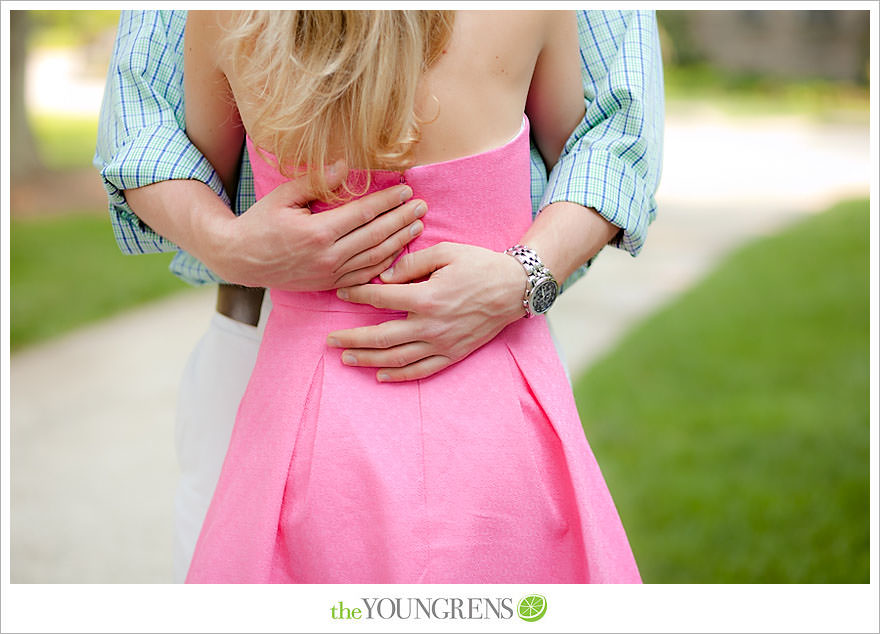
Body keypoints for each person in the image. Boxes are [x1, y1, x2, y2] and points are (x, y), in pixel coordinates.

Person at [94, 9, 663, 582]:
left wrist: (525, 276)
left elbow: (163, 135)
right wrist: (226, 243)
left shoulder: (223, 18)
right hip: (493, 377)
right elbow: (601, 133)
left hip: (304, 383)